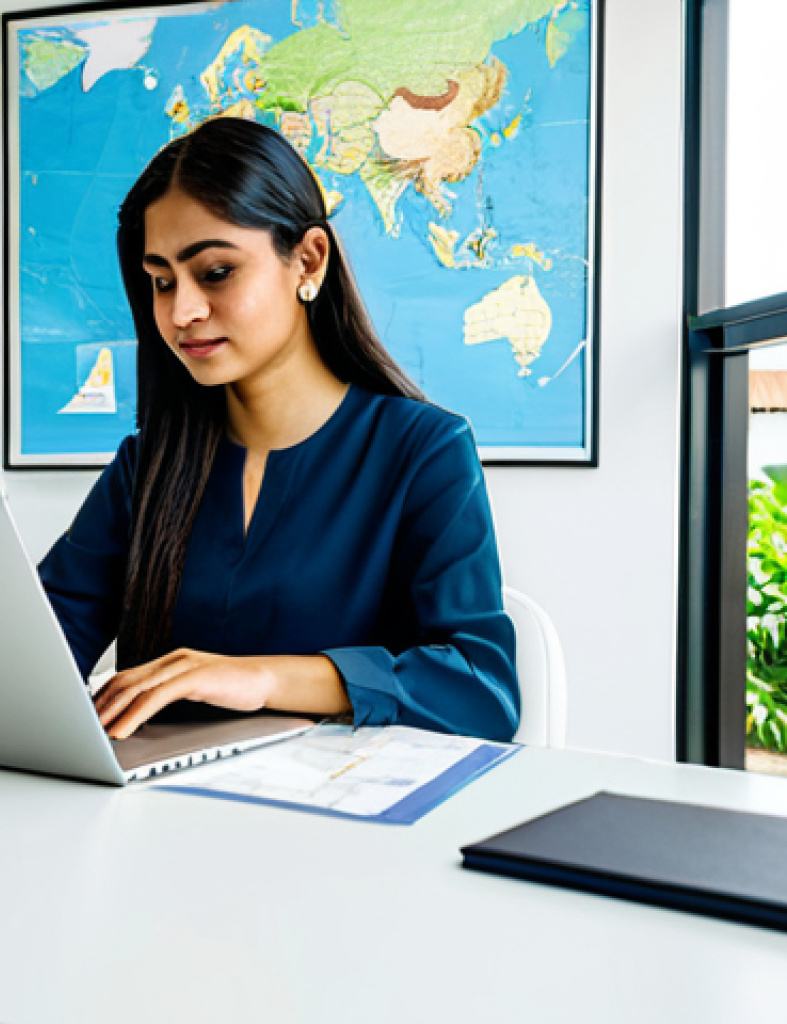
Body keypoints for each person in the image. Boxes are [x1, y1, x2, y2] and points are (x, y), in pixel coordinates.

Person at [38, 116, 519, 743]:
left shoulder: (424, 452)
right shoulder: (146, 467)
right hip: (157, 818)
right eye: (161, 282)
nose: (182, 311)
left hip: (342, 816)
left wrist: (263, 679)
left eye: (214, 272)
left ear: (308, 260)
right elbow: (36, 651)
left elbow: (481, 691)